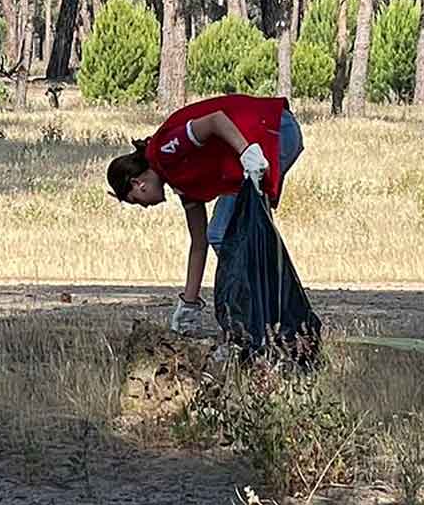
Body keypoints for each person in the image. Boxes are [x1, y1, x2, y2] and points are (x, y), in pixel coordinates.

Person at [106, 93, 304, 336]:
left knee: (223, 233)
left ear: (138, 184)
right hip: (267, 135)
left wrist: (247, 152)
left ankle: (258, 315)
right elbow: (199, 244)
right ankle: (268, 316)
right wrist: (188, 305)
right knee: (239, 233)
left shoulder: (163, 152)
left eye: (136, 200)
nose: (144, 207)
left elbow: (214, 121)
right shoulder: (180, 181)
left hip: (273, 129)